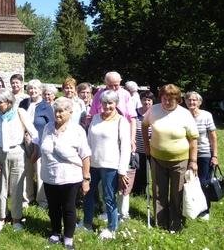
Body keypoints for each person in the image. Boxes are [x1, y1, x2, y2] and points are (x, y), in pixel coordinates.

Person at [142, 84, 199, 231]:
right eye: (164, 98)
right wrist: (147, 147)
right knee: (159, 192)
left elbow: (193, 139)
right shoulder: (153, 110)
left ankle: (175, 224)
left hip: (180, 160)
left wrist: (193, 161)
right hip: (157, 158)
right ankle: (160, 223)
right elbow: (144, 125)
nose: (167, 102)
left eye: (171, 99)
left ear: (178, 100)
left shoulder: (185, 114)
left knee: (177, 193)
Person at [0, 88, 39, 234]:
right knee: (0, 187)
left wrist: (35, 152)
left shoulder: (20, 112)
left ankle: (16, 219)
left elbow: (34, 133)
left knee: (16, 187)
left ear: (9, 102)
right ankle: (1, 218)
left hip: (17, 152)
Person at [41, 98, 91, 249]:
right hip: (49, 175)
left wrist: (86, 179)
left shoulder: (77, 130)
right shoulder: (47, 127)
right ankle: (55, 233)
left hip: (70, 177)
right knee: (53, 206)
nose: (58, 114)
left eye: (62, 111)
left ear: (70, 113)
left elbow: (85, 156)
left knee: (68, 207)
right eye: (56, 111)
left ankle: (68, 237)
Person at [83, 90, 130, 240]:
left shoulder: (122, 121)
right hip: (93, 164)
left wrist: (122, 170)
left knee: (109, 197)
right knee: (88, 194)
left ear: (116, 103)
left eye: (110, 103)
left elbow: (125, 147)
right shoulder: (96, 118)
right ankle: (87, 224)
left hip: (111, 166)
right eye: (104, 102)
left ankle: (111, 227)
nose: (107, 106)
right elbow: (89, 141)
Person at [19, 79, 54, 209]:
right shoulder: (23, 104)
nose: (33, 91)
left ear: (41, 90)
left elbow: (51, 126)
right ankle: (26, 199)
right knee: (25, 171)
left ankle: (42, 201)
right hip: (24, 143)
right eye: (30, 88)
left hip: (40, 144)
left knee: (40, 173)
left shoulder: (46, 106)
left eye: (35, 88)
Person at [185, 91, 218, 221]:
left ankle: (205, 210)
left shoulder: (206, 116)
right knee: (188, 182)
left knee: (204, 182)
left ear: (199, 102)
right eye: (189, 100)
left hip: (204, 153)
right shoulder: (183, 115)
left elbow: (213, 137)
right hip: (186, 153)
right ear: (185, 101)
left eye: (194, 100)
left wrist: (214, 156)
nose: (191, 102)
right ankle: (189, 207)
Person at [89, 72, 137, 152]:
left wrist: (132, 139)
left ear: (120, 81)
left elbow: (132, 119)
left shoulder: (125, 94)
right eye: (110, 85)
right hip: (102, 135)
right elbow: (93, 117)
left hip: (120, 134)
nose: (114, 88)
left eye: (116, 85)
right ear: (105, 82)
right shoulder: (98, 95)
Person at [132, 91, 155, 196]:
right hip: (139, 148)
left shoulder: (155, 113)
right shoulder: (135, 113)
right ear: (140, 101)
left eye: (149, 100)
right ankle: (138, 192)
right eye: (144, 100)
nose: (146, 102)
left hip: (154, 148)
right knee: (140, 171)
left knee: (154, 172)